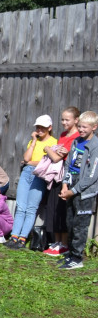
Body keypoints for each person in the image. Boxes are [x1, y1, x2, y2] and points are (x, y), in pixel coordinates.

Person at [5, 114, 58, 249]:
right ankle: (14, 236)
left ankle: (23, 239)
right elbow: (26, 157)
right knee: (20, 206)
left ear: (49, 128)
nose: (40, 130)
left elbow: (46, 162)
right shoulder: (34, 141)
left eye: (43, 127)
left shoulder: (53, 142)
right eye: (38, 127)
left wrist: (30, 162)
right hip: (26, 173)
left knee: (31, 208)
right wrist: (34, 141)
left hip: (40, 175)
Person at [58, 111, 98, 269]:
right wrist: (64, 185)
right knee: (70, 221)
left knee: (80, 225)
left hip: (85, 190)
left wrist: (73, 191)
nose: (81, 130)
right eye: (79, 126)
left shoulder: (95, 146)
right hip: (71, 185)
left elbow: (92, 175)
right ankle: (71, 252)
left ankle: (77, 258)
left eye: (84, 127)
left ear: (94, 127)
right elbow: (68, 164)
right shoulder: (76, 141)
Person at [42, 106, 80, 257]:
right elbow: (58, 152)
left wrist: (47, 148)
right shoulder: (64, 134)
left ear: (76, 120)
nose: (63, 122)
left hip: (66, 176)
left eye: (67, 119)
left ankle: (64, 244)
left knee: (63, 209)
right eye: (62, 119)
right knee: (55, 208)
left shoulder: (76, 136)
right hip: (56, 175)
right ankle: (56, 242)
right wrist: (55, 151)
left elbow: (57, 156)